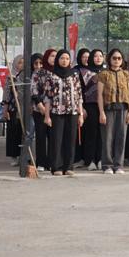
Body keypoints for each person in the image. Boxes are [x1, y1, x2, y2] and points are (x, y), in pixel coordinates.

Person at [43, 49, 84, 177]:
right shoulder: (51, 75)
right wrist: (47, 116)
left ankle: (68, 166)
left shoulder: (75, 75)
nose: (64, 61)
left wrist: (81, 114)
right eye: (62, 58)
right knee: (56, 140)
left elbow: (79, 95)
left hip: (72, 112)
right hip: (56, 112)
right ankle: (56, 167)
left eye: (67, 58)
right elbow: (47, 97)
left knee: (70, 140)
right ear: (57, 60)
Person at [96, 49, 129, 174]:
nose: (117, 60)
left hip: (123, 108)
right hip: (108, 109)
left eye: (119, 58)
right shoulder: (103, 74)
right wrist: (101, 112)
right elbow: (100, 95)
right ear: (109, 59)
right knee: (107, 137)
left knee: (121, 137)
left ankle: (118, 165)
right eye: (114, 58)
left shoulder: (126, 74)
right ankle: (107, 165)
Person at [76, 49, 103, 170]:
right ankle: (90, 160)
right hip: (89, 105)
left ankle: (100, 159)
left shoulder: (106, 72)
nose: (98, 58)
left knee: (102, 133)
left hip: (104, 106)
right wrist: (82, 108)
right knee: (91, 133)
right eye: (95, 56)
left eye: (100, 56)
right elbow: (80, 91)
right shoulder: (83, 72)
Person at [32, 49, 56, 170]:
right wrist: (40, 105)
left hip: (56, 110)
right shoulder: (39, 73)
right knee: (41, 136)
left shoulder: (59, 72)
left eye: (56, 56)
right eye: (52, 56)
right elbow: (34, 90)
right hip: (39, 109)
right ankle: (41, 162)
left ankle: (52, 162)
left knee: (53, 137)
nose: (54, 58)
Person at [3, 56, 26, 166]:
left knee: (24, 132)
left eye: (23, 63)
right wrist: (5, 109)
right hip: (14, 108)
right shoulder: (10, 77)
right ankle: (14, 156)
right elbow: (6, 93)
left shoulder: (27, 77)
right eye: (20, 62)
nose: (22, 65)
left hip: (25, 107)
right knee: (13, 132)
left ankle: (24, 155)